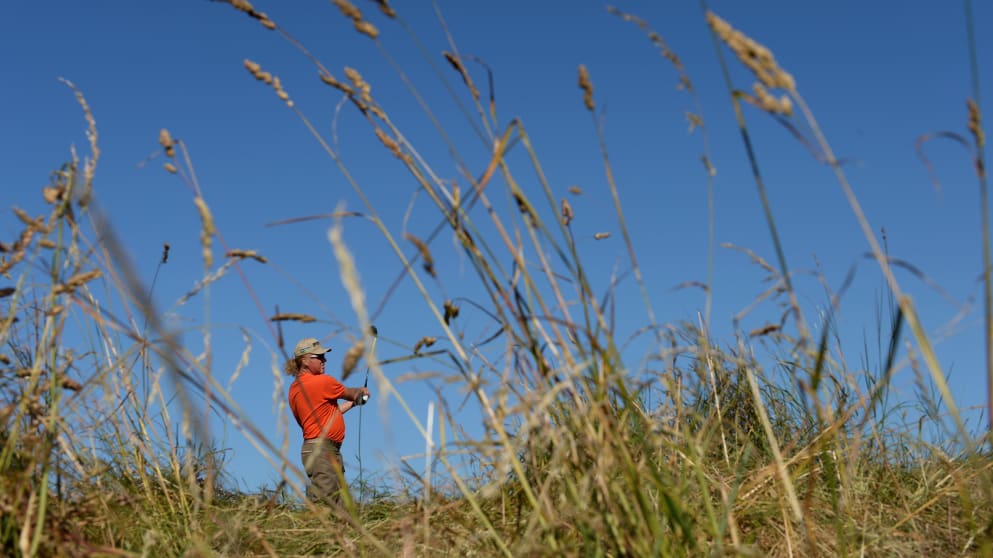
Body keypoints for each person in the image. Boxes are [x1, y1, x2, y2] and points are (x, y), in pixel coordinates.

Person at [286, 337, 370, 507]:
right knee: (327, 506)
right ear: (305, 361)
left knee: (341, 507)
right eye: (319, 357)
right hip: (322, 452)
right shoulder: (323, 381)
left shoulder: (295, 388)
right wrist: (361, 392)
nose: (325, 360)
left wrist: (353, 404)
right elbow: (352, 393)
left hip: (317, 450)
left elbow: (329, 414)